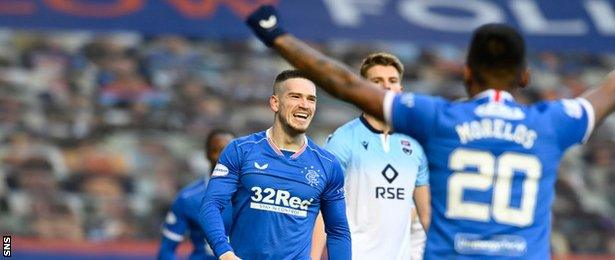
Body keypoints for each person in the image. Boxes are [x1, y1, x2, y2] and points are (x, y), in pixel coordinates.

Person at [245, 6, 615, 259]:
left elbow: (345, 83)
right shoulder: (552, 123)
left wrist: (275, 34)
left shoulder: (438, 118)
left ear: (467, 73)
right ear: (524, 77)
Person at [198, 69, 351, 260]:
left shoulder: (327, 164)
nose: (305, 105)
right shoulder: (241, 150)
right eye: (295, 97)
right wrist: (225, 253)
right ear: (275, 103)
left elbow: (338, 231)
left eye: (311, 99)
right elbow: (211, 205)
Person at [312, 52, 430, 260]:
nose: (386, 86)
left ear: (400, 89)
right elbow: (321, 210)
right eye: (377, 81)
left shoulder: (416, 145)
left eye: (392, 81)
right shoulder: (343, 139)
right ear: (363, 90)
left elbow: (426, 215)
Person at [158, 129, 235, 260]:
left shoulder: (251, 193)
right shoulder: (188, 198)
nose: (224, 156)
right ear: (207, 154)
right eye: (218, 150)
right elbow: (167, 250)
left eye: (229, 150)